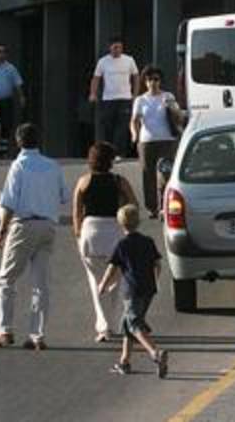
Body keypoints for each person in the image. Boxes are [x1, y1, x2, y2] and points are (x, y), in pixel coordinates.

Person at [0, 123, 68, 351]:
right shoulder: (53, 166)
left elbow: (9, 202)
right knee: (40, 283)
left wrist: (1, 232)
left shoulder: (18, 166)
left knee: (6, 279)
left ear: (18, 141)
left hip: (24, 225)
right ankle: (37, 335)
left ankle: (5, 330)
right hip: (48, 226)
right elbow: (64, 196)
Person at [72, 141, 138, 342]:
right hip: (114, 232)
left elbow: (76, 212)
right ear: (110, 161)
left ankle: (103, 328)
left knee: (96, 281)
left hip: (90, 232)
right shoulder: (120, 181)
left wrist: (78, 235)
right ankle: (109, 324)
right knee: (113, 283)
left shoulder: (84, 181)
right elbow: (133, 205)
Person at [99, 204, 169, 377]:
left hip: (132, 290)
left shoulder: (122, 245)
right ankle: (124, 361)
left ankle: (155, 353)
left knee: (134, 324)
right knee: (128, 323)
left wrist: (103, 285)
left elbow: (112, 268)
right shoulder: (148, 241)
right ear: (138, 221)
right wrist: (155, 280)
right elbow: (157, 264)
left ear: (120, 223)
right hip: (148, 289)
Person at [130, 65, 182, 219]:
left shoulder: (168, 96)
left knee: (166, 173)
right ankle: (152, 207)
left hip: (167, 140)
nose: (153, 82)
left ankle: (164, 206)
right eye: (149, 79)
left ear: (160, 81)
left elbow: (179, 118)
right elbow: (134, 120)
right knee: (148, 174)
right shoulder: (140, 100)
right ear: (145, 82)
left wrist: (172, 108)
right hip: (147, 141)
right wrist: (135, 134)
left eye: (156, 79)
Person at [89, 36, 138, 159]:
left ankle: (119, 153)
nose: (118, 50)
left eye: (120, 47)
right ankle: (108, 153)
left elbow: (136, 76)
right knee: (108, 127)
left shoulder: (129, 60)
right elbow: (96, 78)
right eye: (115, 47)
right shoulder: (103, 61)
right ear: (110, 48)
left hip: (125, 98)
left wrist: (135, 93)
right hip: (108, 99)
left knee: (122, 127)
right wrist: (93, 93)